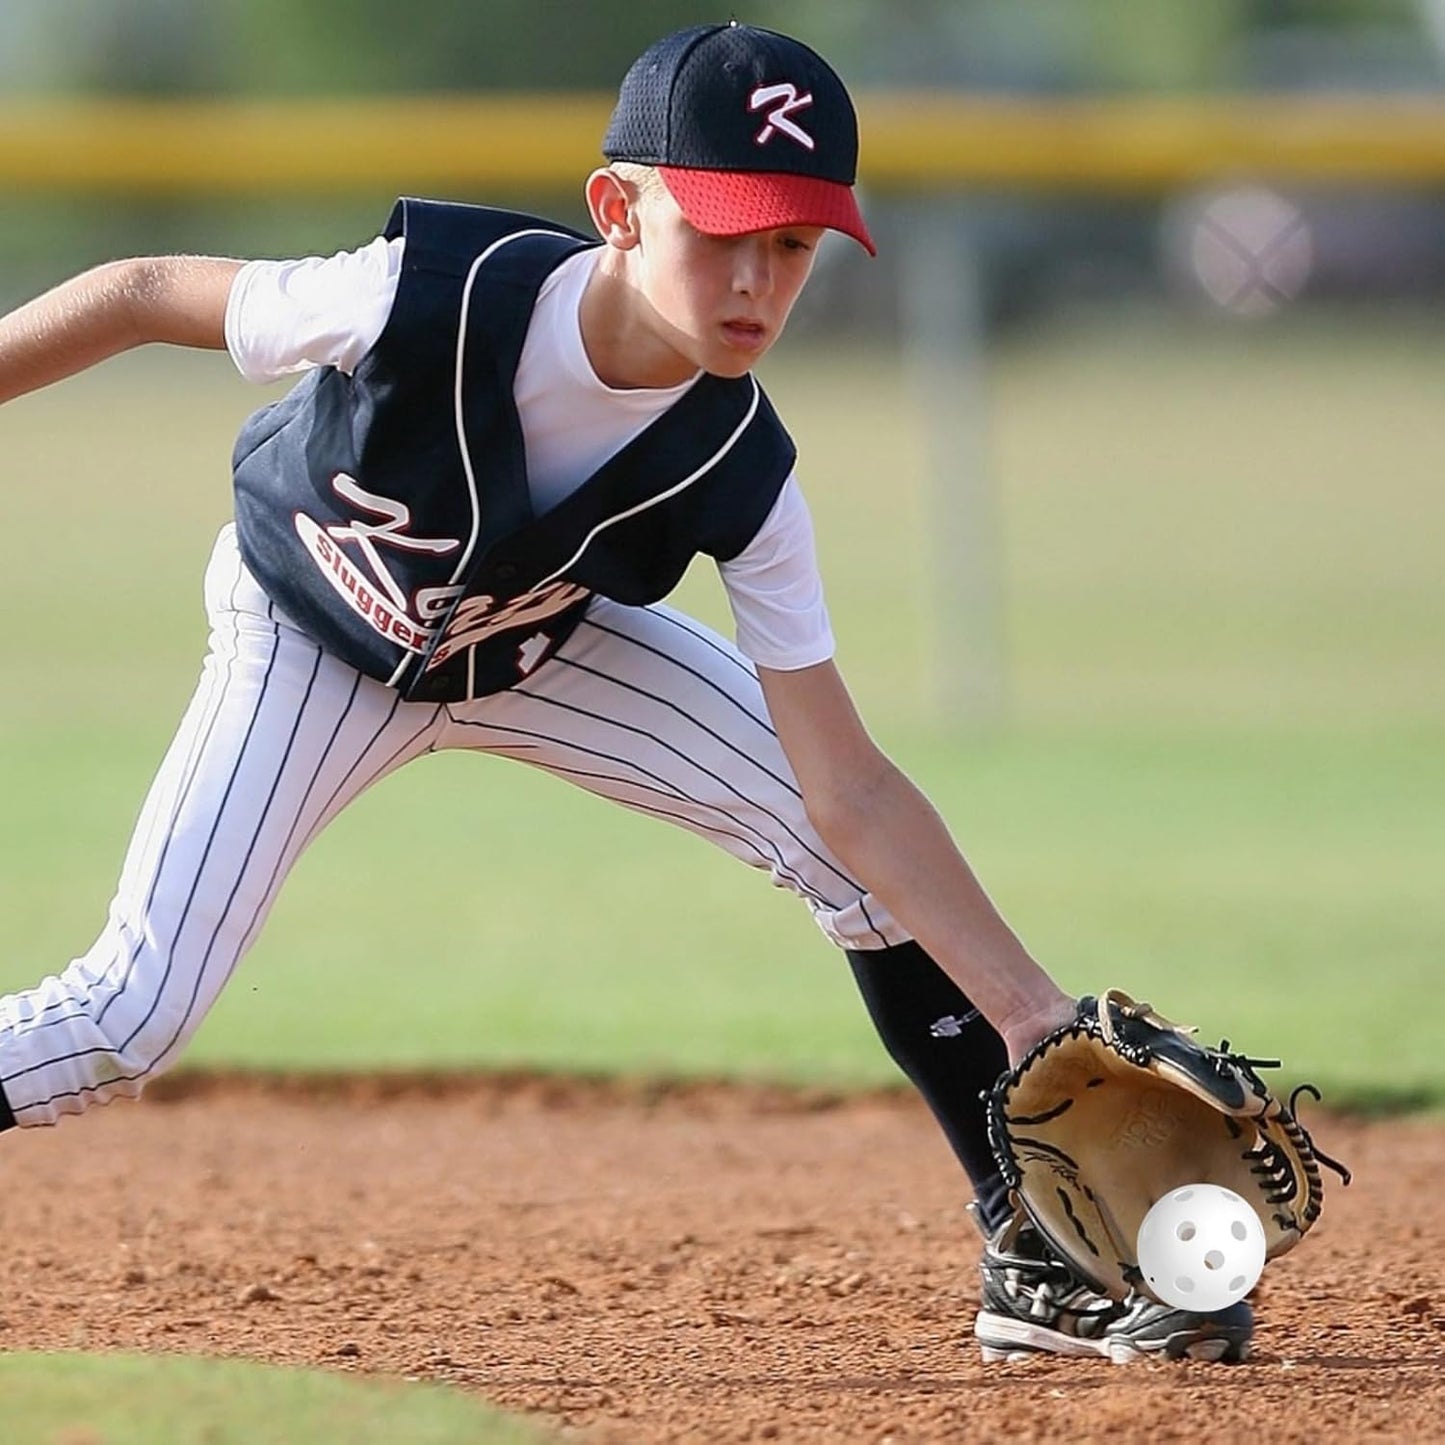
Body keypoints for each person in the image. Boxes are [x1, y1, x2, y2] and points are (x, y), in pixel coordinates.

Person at [0, 22, 1250, 1363]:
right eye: (722, 231)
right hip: (309, 632)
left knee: (864, 868)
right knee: (134, 1010)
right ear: (617, 207)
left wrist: (1032, 1015)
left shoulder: (745, 469)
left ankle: (1030, 1252)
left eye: (792, 244)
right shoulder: (425, 292)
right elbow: (138, 288)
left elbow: (852, 788)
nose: (756, 280)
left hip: (536, 646)